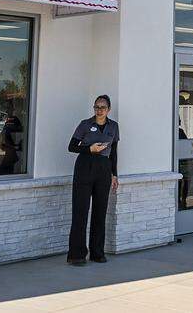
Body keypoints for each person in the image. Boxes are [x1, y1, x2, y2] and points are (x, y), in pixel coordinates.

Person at [67, 95, 119, 265]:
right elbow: (71, 146)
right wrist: (89, 148)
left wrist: (114, 174)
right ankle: (77, 255)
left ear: (108, 109)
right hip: (85, 166)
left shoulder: (114, 127)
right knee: (80, 211)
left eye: (103, 107)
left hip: (104, 168)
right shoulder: (85, 124)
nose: (99, 110)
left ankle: (97, 252)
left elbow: (114, 152)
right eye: (96, 107)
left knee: (100, 211)